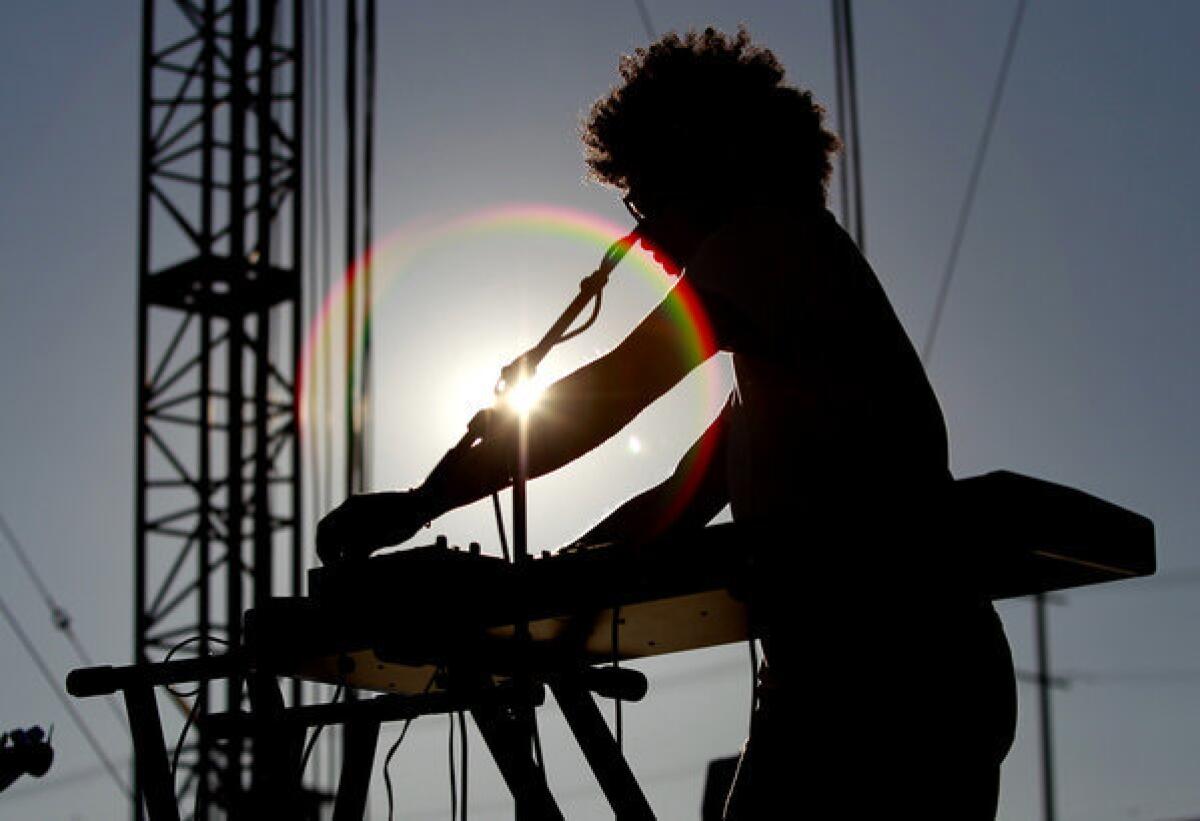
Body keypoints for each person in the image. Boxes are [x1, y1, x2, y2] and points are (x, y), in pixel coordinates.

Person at [318, 27, 1016, 818]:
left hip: (888, 677)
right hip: (888, 670)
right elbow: (680, 498)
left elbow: (617, 392)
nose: (642, 232)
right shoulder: (789, 326)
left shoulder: (767, 243)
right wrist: (567, 565)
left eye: (647, 196)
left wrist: (422, 501)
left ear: (707, 159)